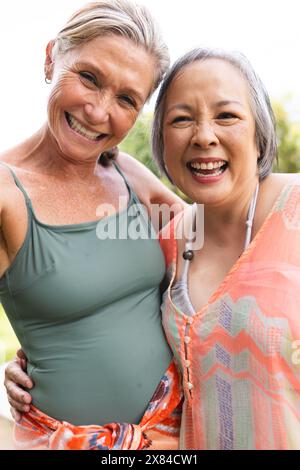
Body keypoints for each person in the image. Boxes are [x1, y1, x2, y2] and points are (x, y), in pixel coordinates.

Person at [0, 0, 184, 450]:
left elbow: (214, 248)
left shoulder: (129, 174)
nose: (99, 112)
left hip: (181, 429)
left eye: (126, 99)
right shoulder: (6, 197)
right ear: (51, 58)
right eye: (89, 77)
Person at [152, 48, 300, 449]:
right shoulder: (161, 247)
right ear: (162, 141)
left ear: (260, 134)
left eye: (226, 115)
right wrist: (35, 368)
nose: (203, 136)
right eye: (181, 119)